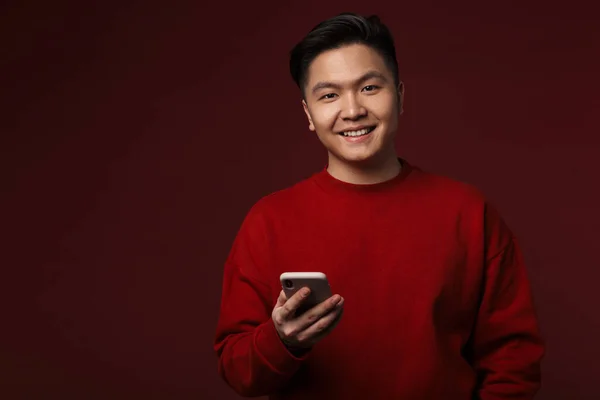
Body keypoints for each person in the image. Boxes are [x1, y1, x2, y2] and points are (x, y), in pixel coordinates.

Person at [213, 12, 544, 399]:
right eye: (329, 95)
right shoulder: (268, 220)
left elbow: (513, 361)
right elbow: (238, 371)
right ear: (308, 113)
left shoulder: (468, 212)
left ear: (400, 95)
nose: (352, 110)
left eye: (370, 88)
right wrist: (283, 340)